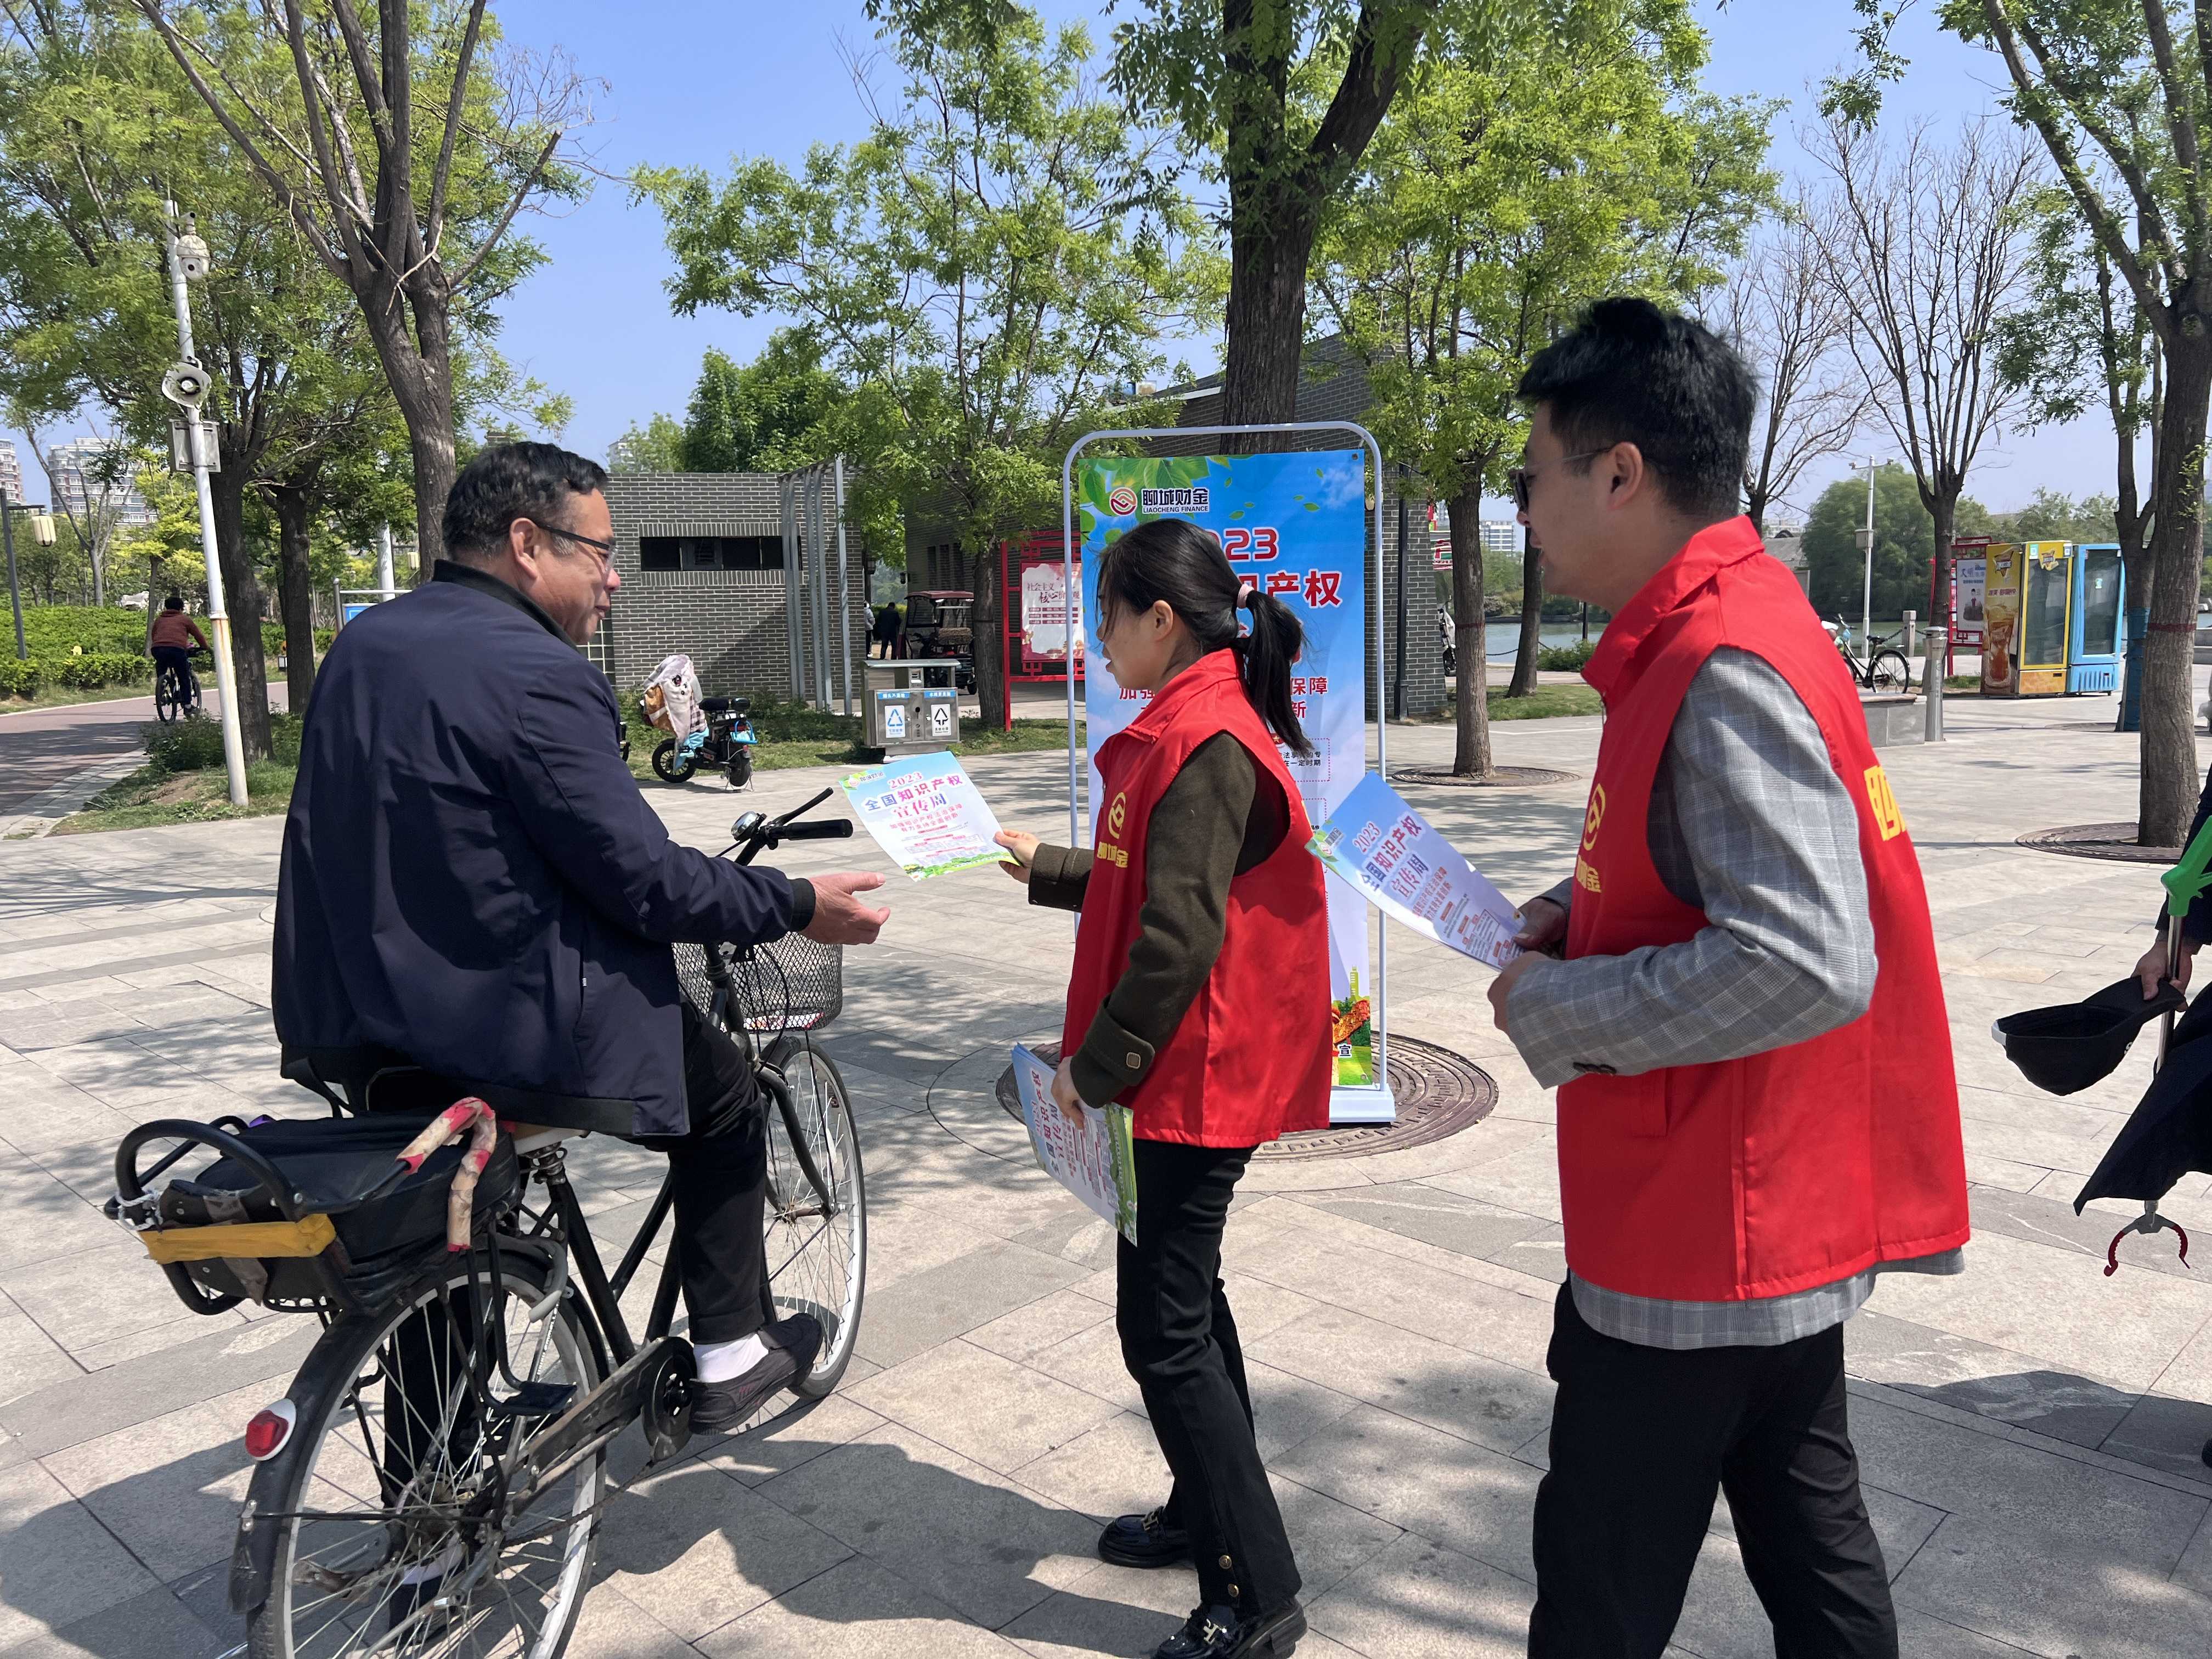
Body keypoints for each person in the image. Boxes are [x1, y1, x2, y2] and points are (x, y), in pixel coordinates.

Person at [1485, 299, 1970, 1658]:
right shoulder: (1732, 625)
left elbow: (1806, 955)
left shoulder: (1721, 660)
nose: (1522, 507)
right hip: (1759, 1213)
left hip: (1699, 1237)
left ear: (1619, 473)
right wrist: (1573, 912)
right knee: (1814, 1551)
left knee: (1598, 1591)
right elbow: (1707, 867)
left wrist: (1559, 1010)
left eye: (1531, 472)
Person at [273, 442, 891, 1431]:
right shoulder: (536, 670)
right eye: (601, 553)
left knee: (445, 1224)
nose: (614, 579)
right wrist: (792, 901)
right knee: (726, 1097)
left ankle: (428, 1492)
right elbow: (641, 880)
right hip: (510, 1022)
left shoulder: (366, 645)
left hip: (363, 1017)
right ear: (526, 543)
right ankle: (732, 1349)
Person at [995, 518, 1330, 1659]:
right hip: (1188, 1071)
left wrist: (1090, 1071)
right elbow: (1146, 876)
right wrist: (1043, 864)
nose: (1099, 639)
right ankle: (1204, 1510)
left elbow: (1177, 936)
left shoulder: (1208, 737)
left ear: (1161, 618)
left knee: (1164, 1329)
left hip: (1198, 1076)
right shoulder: (1188, 724)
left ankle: (1256, 1592)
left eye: (1108, 615)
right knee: (1187, 1302)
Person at [148, 594, 207, 706]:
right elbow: (198, 635)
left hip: (157, 649)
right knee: (183, 676)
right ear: (181, 608)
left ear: (166, 607)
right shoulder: (185, 619)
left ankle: (161, 685)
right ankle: (187, 705)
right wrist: (205, 647)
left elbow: (154, 635)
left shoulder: (159, 620)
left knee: (161, 665)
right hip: (176, 650)